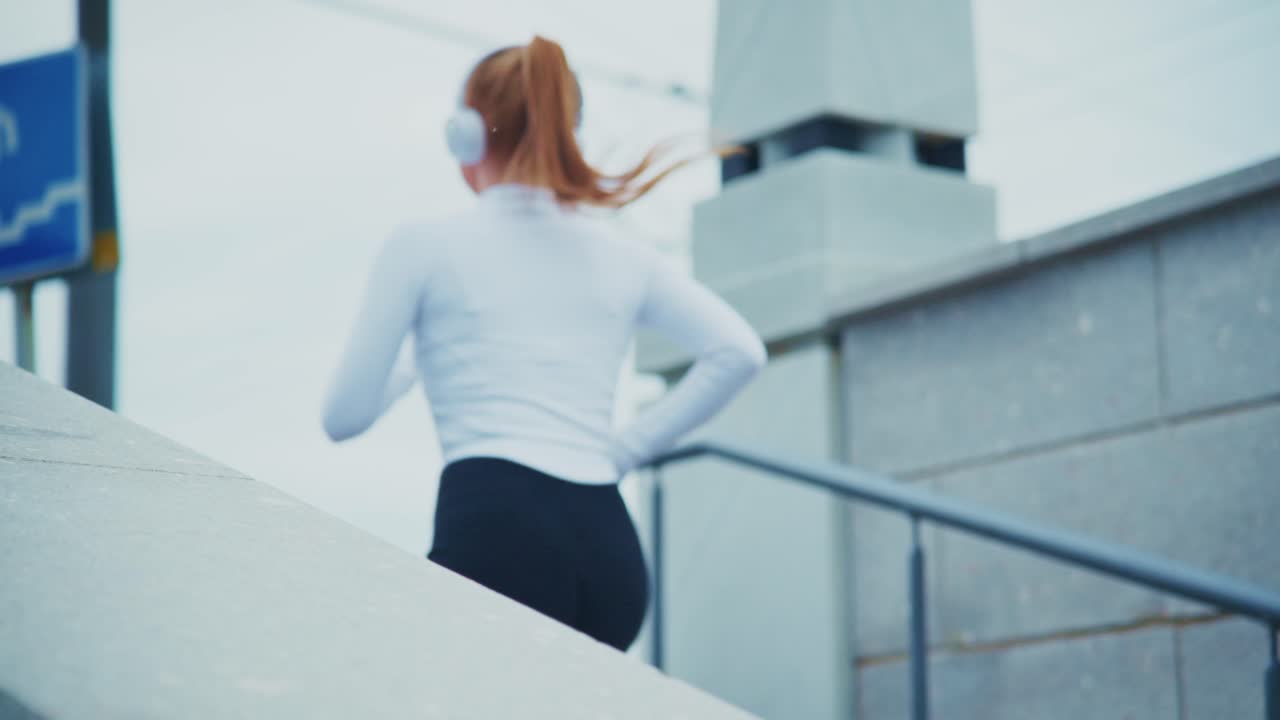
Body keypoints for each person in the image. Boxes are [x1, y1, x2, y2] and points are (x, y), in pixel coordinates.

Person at [322, 35, 766, 652]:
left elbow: (343, 418)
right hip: (609, 547)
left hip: (496, 528)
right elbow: (740, 351)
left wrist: (415, 366)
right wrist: (620, 451)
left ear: (467, 135)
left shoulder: (423, 245)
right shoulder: (624, 256)